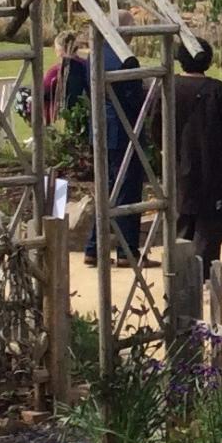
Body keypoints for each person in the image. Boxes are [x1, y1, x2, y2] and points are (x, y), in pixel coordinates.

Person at [171, 40, 222, 266]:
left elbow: (156, 125)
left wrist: (167, 151)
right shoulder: (217, 90)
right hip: (214, 167)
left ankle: (179, 271)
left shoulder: (170, 87)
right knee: (210, 223)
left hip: (180, 164)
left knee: (183, 216)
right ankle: (204, 272)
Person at [85, 21, 148, 265]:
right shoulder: (127, 59)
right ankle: (126, 250)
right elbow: (133, 101)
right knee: (127, 190)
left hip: (101, 130)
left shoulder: (95, 54)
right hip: (124, 133)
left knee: (106, 188)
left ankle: (94, 248)